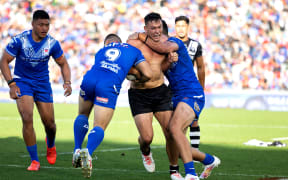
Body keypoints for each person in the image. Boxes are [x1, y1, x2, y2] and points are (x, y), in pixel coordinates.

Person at [136, 21, 220, 180]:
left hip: (191, 94)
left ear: (161, 36)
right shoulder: (162, 54)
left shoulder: (175, 42)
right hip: (175, 96)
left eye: (155, 35)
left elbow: (164, 48)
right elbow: (157, 70)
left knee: (174, 128)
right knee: (176, 143)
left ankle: (191, 174)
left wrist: (141, 36)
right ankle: (209, 160)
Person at [72, 34, 152, 178]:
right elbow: (148, 73)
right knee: (99, 126)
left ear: (107, 43)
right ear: (120, 42)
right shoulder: (133, 50)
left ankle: (77, 149)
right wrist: (136, 77)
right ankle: (88, 152)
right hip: (108, 84)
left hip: (89, 79)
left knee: (82, 115)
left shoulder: (100, 52)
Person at [0, 10, 72, 171]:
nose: (44, 28)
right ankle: (34, 161)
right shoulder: (19, 41)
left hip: (42, 84)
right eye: (41, 24)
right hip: (22, 82)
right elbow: (4, 61)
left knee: (50, 124)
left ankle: (50, 144)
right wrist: (12, 84)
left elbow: (63, 64)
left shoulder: (52, 43)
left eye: (47, 25)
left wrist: (67, 82)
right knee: (27, 117)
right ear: (32, 24)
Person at [127, 12, 182, 180]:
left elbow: (162, 68)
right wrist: (133, 74)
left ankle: (174, 170)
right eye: (152, 28)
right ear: (145, 29)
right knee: (147, 137)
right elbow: (125, 67)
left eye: (159, 27)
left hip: (160, 91)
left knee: (171, 133)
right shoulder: (133, 42)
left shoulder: (167, 42)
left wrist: (171, 61)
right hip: (139, 94)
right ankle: (145, 151)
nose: (157, 31)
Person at [175, 16, 205, 150]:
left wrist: (201, 87)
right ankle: (180, 149)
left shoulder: (195, 45)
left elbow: (200, 67)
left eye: (183, 26)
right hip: (174, 88)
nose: (180, 28)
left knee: (193, 120)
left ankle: (194, 150)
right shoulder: (170, 44)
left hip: (190, 88)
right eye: (178, 26)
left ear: (188, 27)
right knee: (176, 121)